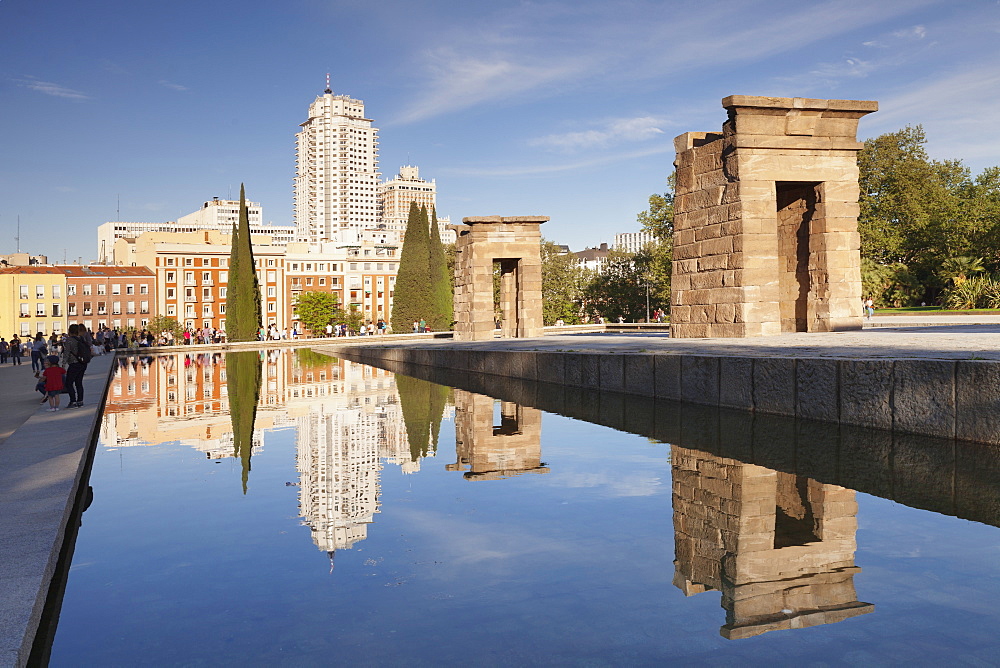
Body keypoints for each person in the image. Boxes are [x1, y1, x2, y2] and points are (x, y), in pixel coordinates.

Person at [61, 324, 90, 408]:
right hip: (82, 363)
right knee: (79, 382)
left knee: (69, 383)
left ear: (70, 331)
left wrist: (63, 364)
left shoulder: (69, 340)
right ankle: (80, 401)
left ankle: (73, 401)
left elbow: (66, 353)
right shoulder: (81, 339)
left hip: (74, 363)